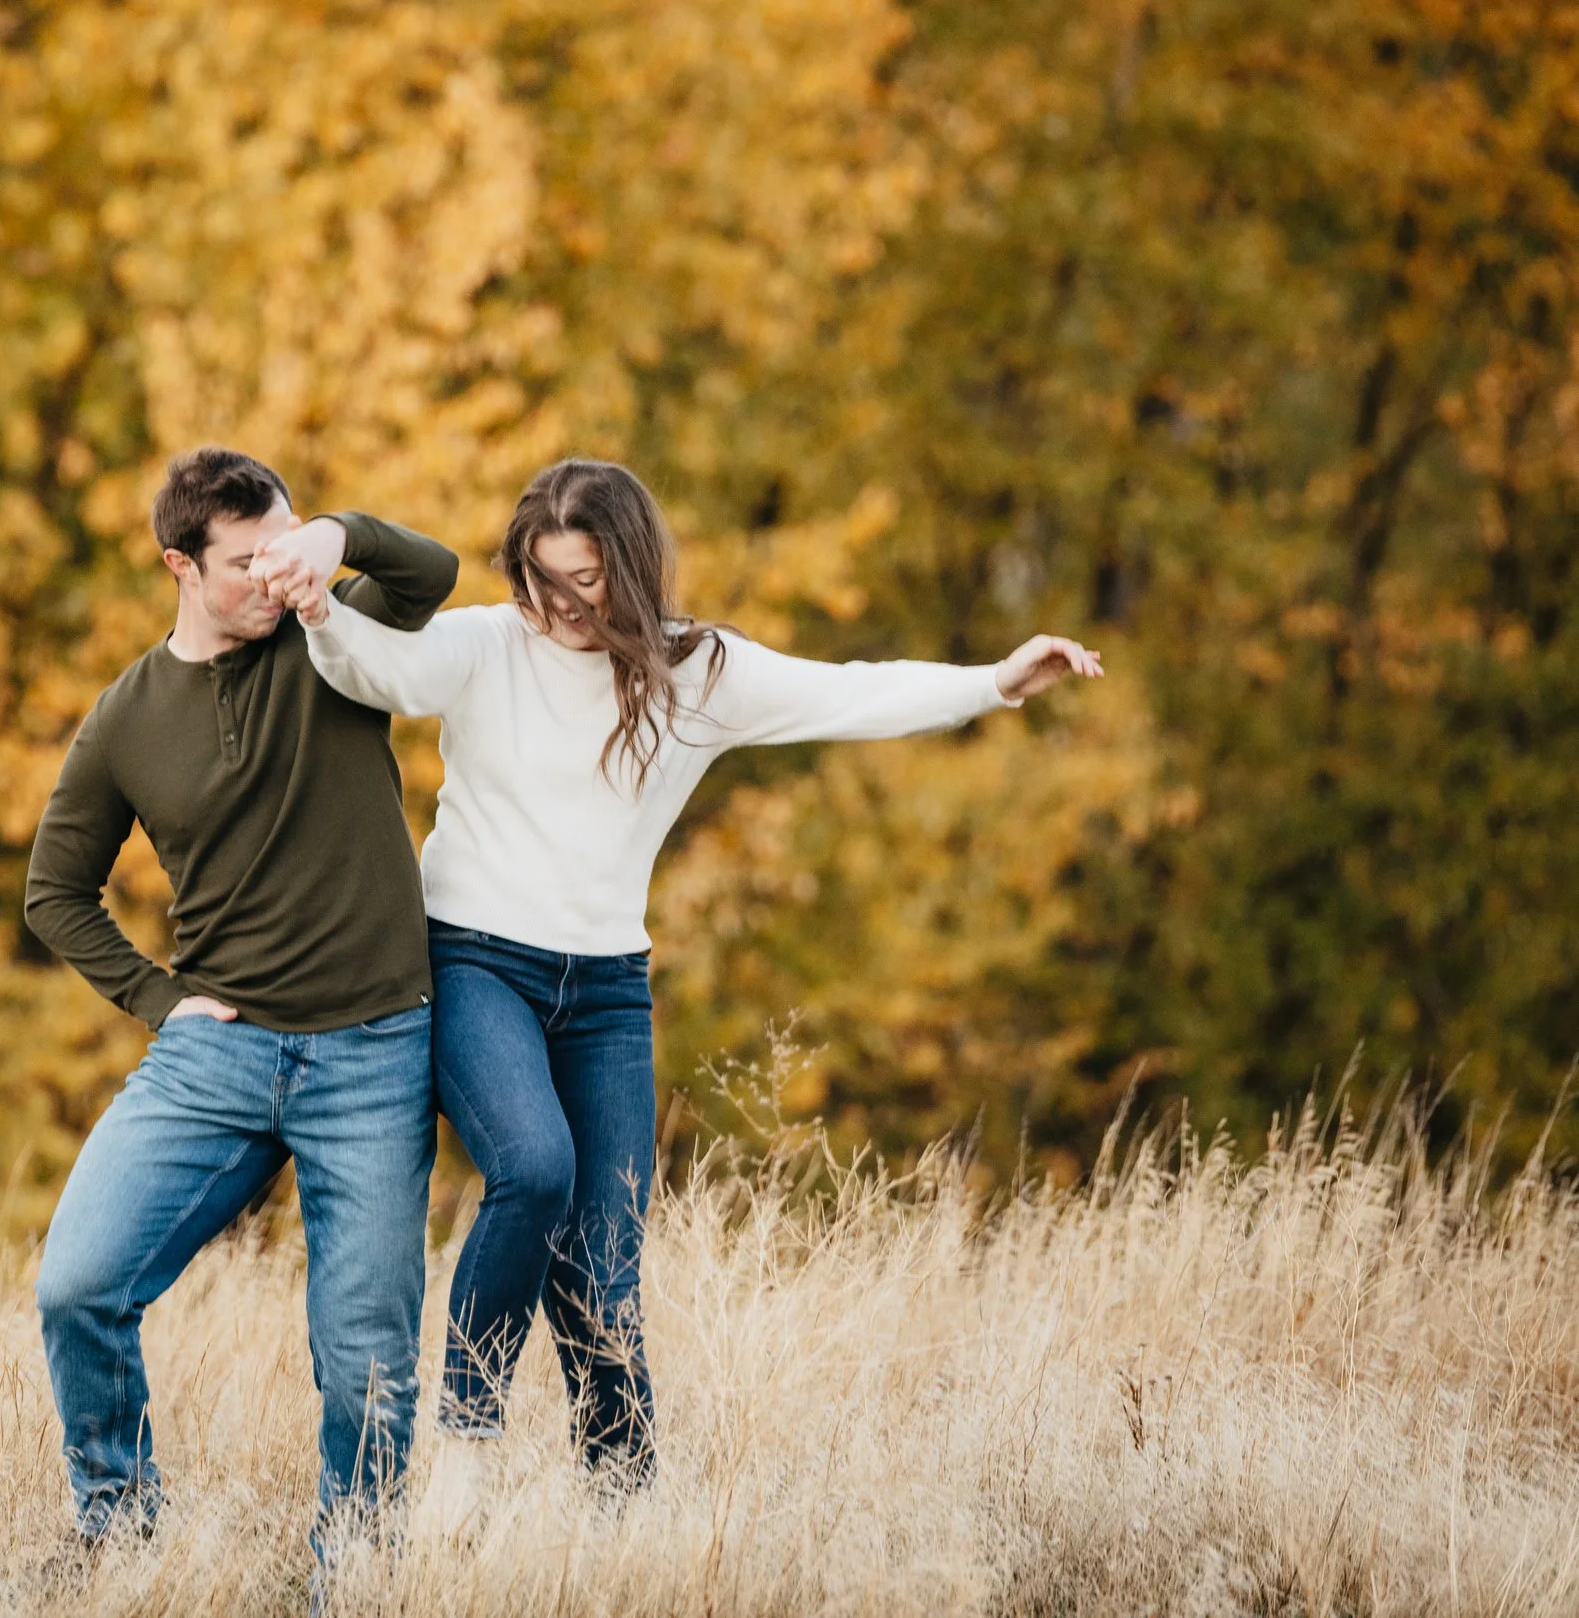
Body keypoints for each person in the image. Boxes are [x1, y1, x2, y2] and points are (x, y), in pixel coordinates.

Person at [254, 457, 1102, 1483]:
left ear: (632, 568)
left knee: (604, 1261)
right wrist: (317, 613)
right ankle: (465, 1443)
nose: (555, 605)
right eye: (537, 578)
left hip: (608, 989)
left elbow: (846, 693)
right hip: (477, 958)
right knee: (532, 1167)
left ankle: (621, 1496)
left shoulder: (697, 672)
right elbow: (380, 670)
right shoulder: (488, 642)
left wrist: (994, 682)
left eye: (582, 582)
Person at [23, 446, 459, 1547]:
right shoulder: (125, 716)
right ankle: (117, 1532)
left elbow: (434, 573)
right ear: (179, 564)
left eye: (284, 547)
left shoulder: (330, 637)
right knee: (77, 1285)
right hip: (216, 1050)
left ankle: (351, 1572)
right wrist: (158, 999)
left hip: (371, 1050)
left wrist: (336, 537)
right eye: (246, 561)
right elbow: (53, 892)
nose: (273, 576)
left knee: (365, 1360)